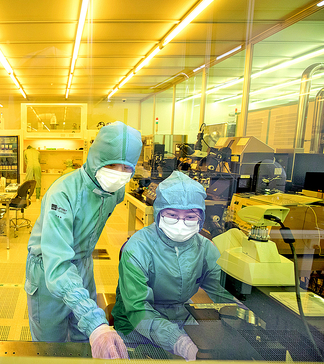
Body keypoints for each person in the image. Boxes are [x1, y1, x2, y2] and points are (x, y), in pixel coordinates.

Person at [24, 121, 142, 359]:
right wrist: (96, 323)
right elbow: (57, 263)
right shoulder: (63, 193)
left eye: (126, 168)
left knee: (83, 339)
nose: (118, 174)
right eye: (111, 165)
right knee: (50, 344)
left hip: (83, 264)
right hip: (49, 267)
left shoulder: (115, 190)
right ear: (96, 157)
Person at [111, 171, 236, 361]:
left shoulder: (204, 248)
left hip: (181, 319)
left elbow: (223, 292)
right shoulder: (137, 248)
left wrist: (244, 310)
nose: (181, 224)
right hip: (135, 328)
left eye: (190, 216)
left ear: (201, 218)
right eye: (172, 215)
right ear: (159, 212)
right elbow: (138, 308)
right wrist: (179, 342)